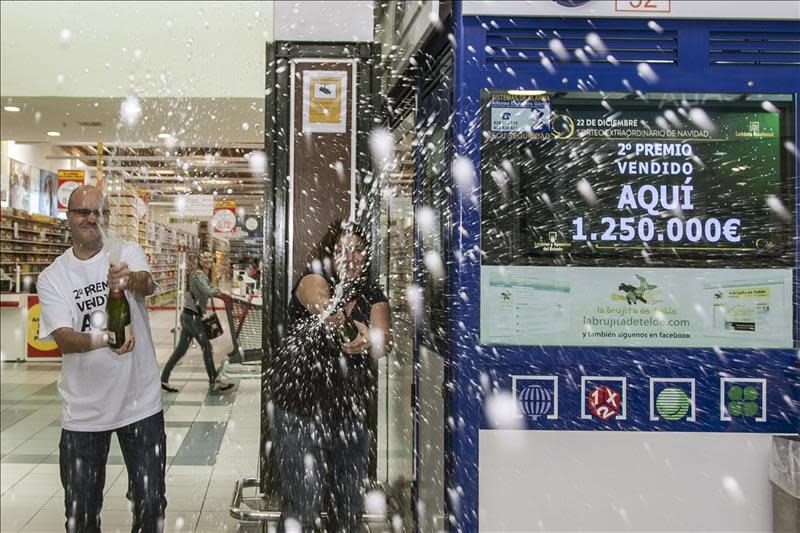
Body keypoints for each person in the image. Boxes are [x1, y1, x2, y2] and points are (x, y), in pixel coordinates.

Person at [36, 185, 166, 533]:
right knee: (81, 514)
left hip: (141, 403)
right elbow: (63, 339)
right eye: (83, 212)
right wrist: (106, 339)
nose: (92, 218)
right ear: (69, 217)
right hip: (83, 413)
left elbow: (148, 283)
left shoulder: (125, 251)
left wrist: (129, 279)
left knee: (151, 503)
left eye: (99, 212)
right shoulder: (53, 277)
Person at [270, 220, 393, 532]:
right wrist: (331, 313)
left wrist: (373, 339)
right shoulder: (313, 277)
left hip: (350, 416)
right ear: (328, 256)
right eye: (340, 250)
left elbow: (385, 343)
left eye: (356, 251)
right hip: (301, 412)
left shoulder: (372, 292)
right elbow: (317, 298)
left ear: (365, 256)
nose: (348, 257)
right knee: (302, 505)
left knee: (348, 505)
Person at [160, 251, 234, 394]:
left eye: (209, 257)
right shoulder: (198, 274)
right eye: (204, 257)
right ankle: (214, 381)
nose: (207, 259)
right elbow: (207, 291)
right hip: (192, 317)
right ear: (199, 260)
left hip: (189, 316)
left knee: (180, 350)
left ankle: (164, 379)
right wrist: (221, 292)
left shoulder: (202, 274)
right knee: (207, 347)